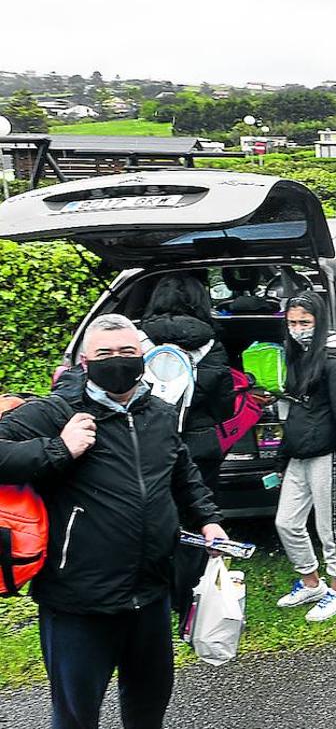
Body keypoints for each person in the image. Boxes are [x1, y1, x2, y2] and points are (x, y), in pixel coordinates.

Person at [0, 314, 227, 729]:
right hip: (78, 602)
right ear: (85, 363)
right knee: (75, 716)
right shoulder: (56, 413)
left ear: (144, 358)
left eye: (127, 352)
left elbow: (182, 475)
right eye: (105, 354)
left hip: (151, 595)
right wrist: (59, 449)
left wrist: (208, 520)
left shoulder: (159, 412)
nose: (117, 361)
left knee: (148, 709)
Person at [138, 273, 236, 634]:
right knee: (199, 524)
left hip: (151, 448)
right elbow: (224, 404)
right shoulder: (211, 343)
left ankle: (155, 602)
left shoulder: (137, 340)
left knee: (157, 522)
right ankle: (188, 606)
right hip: (199, 448)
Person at [272, 292, 336, 622]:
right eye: (292, 322)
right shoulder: (297, 356)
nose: (298, 329)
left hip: (327, 455)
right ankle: (311, 581)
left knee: (329, 527)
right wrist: (284, 457)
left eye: (305, 323)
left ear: (320, 322)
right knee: (286, 522)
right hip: (299, 453)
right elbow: (297, 411)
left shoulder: (335, 364)